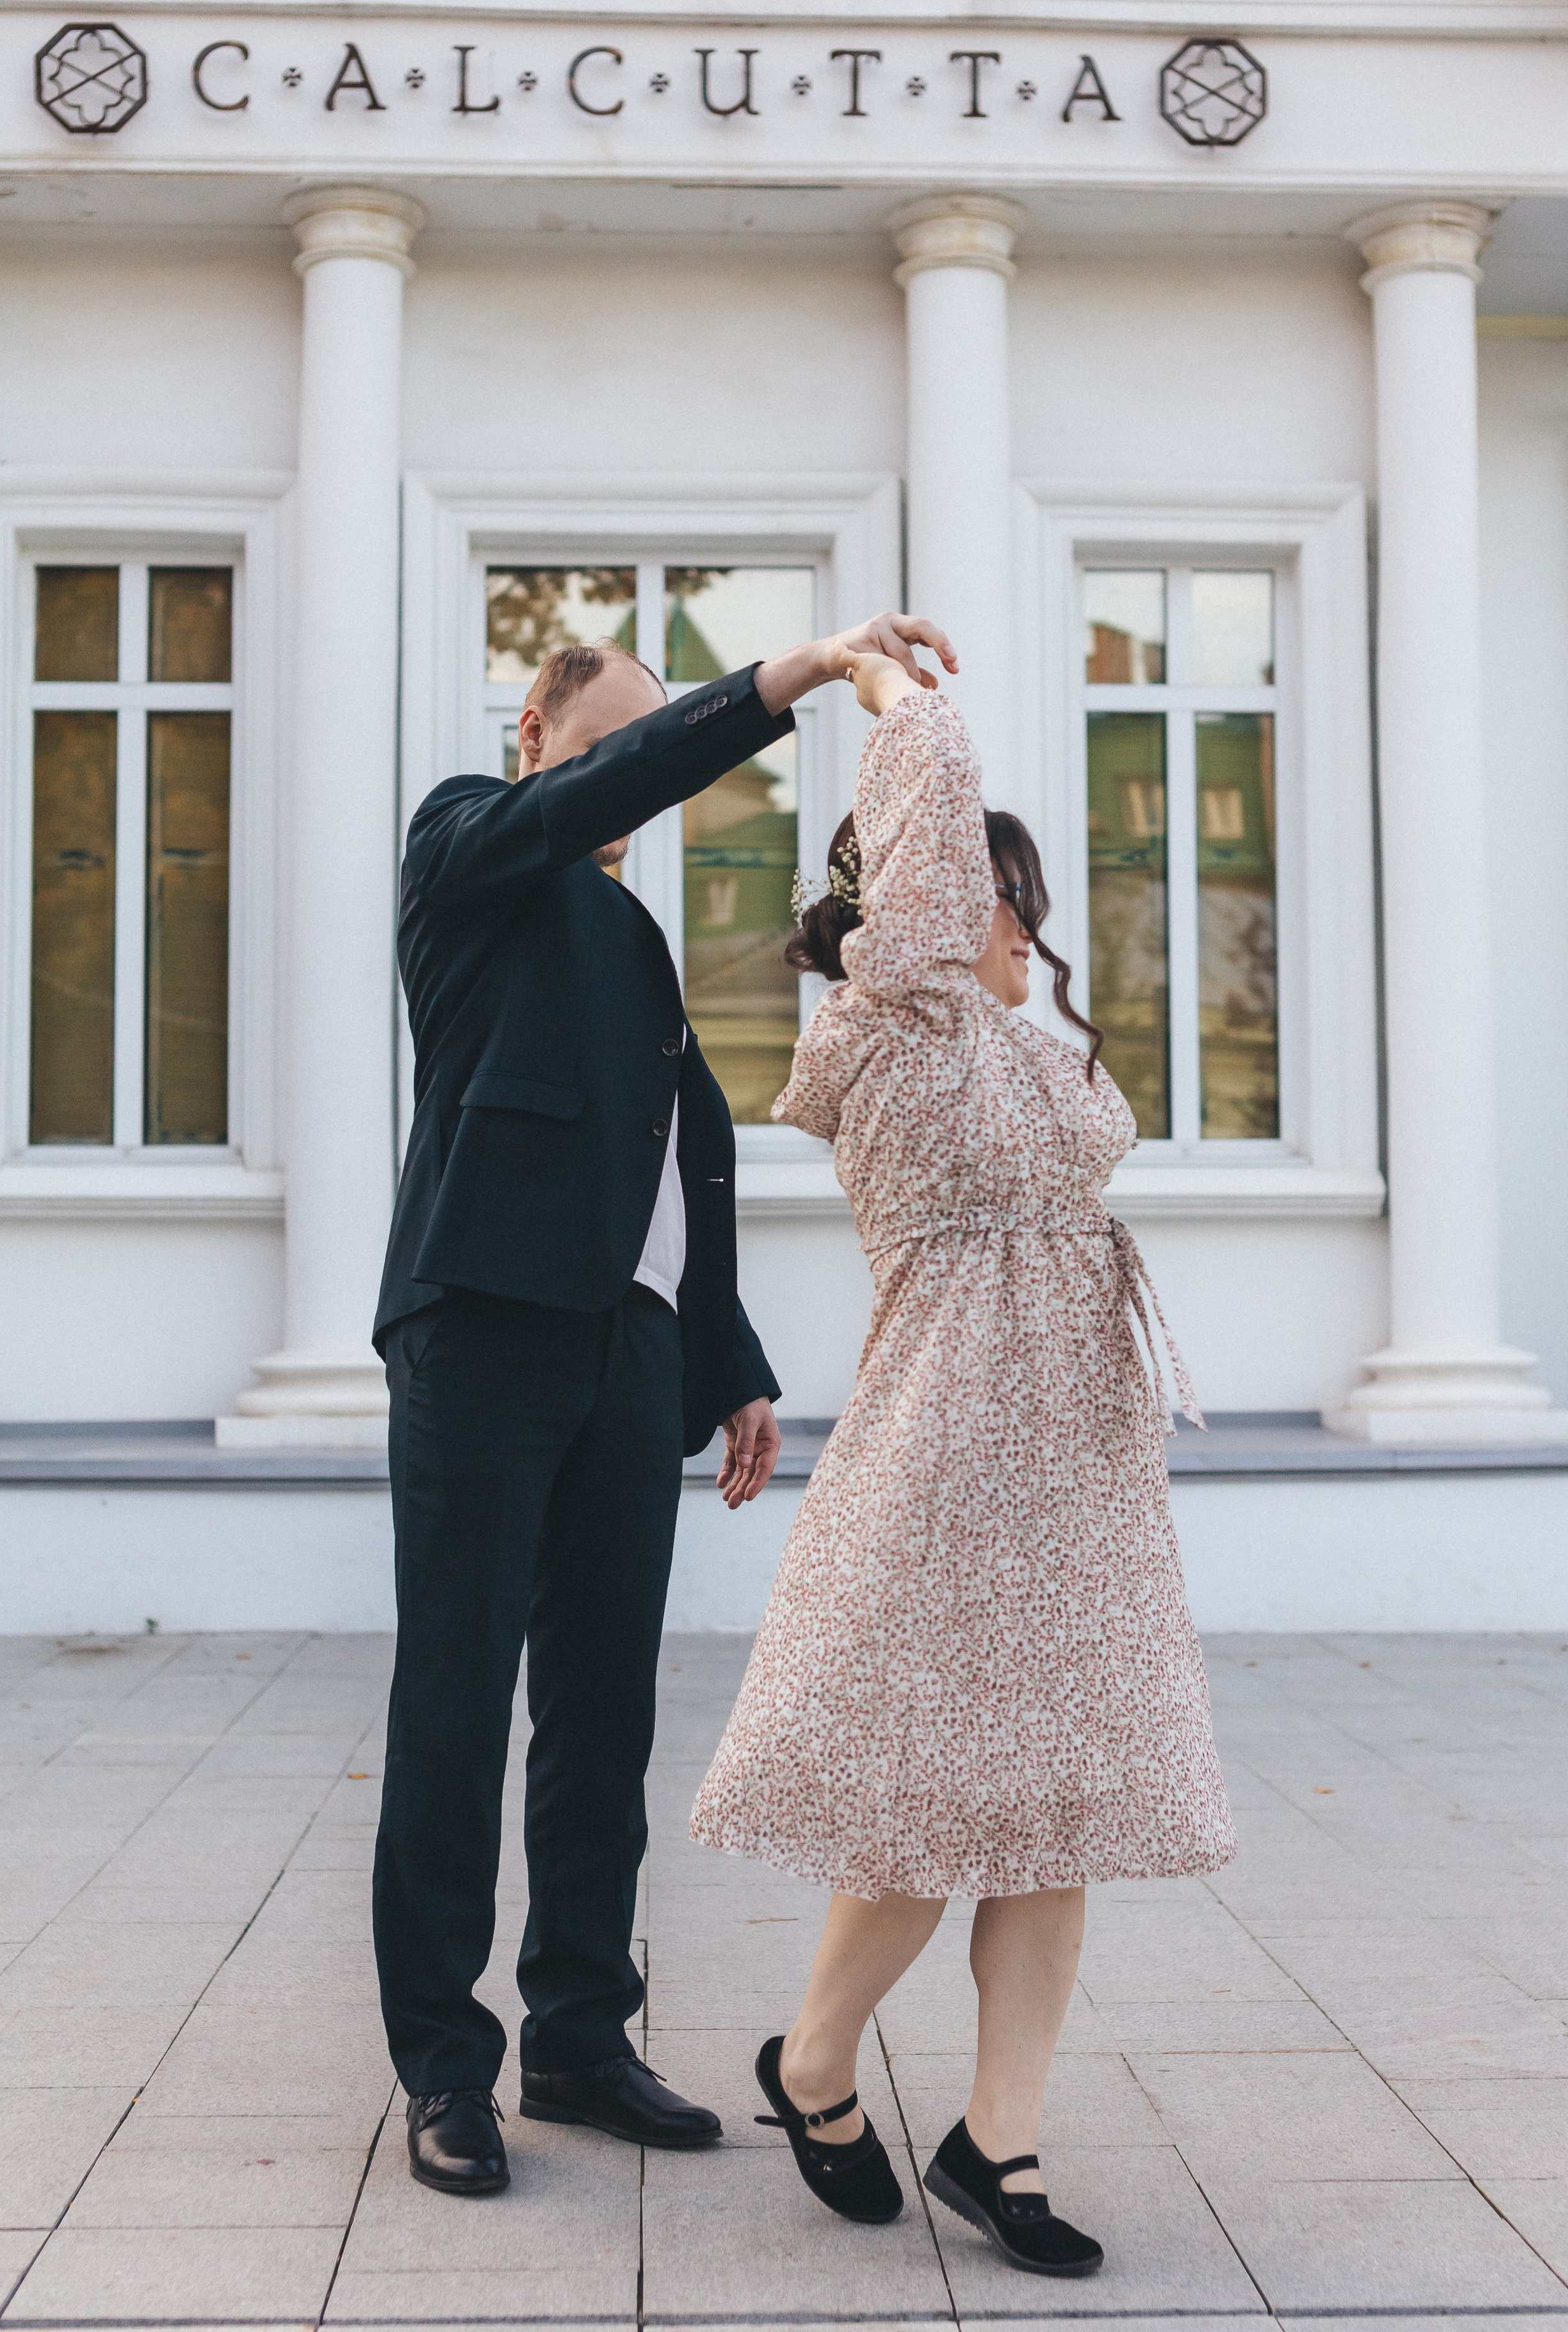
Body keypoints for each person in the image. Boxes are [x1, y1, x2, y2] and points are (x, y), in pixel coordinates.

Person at [371, 611, 958, 2200]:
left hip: (625, 1359)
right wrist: (794, 677)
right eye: (607, 742)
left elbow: (674, 1156)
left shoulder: (629, 938)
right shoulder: (465, 843)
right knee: (451, 1700)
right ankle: (444, 2065)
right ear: (534, 737)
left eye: (648, 749)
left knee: (601, 1711)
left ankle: (576, 2031)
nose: (630, 778)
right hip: (481, 1326)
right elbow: (593, 792)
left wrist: (729, 1365)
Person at [691, 650, 1237, 2277]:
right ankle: (808, 2066)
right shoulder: (888, 1025)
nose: (1021, 928)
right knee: (930, 1812)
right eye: (1001, 898)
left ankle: (999, 2145)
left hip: (1072, 1468)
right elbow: (917, 881)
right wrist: (884, 691)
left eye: (1022, 905)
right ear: (934, 904)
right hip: (946, 1461)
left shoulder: (1021, 1044)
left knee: (1054, 1812)